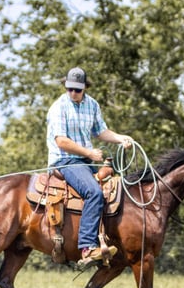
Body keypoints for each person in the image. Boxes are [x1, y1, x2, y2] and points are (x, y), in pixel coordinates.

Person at [46, 67, 133, 266]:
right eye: (70, 89)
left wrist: (120, 138)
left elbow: (101, 131)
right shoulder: (59, 107)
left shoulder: (92, 104)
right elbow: (61, 141)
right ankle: (87, 246)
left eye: (77, 89)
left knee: (116, 188)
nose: (73, 93)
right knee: (94, 192)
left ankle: (109, 239)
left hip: (84, 163)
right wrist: (90, 153)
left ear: (85, 87)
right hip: (65, 160)